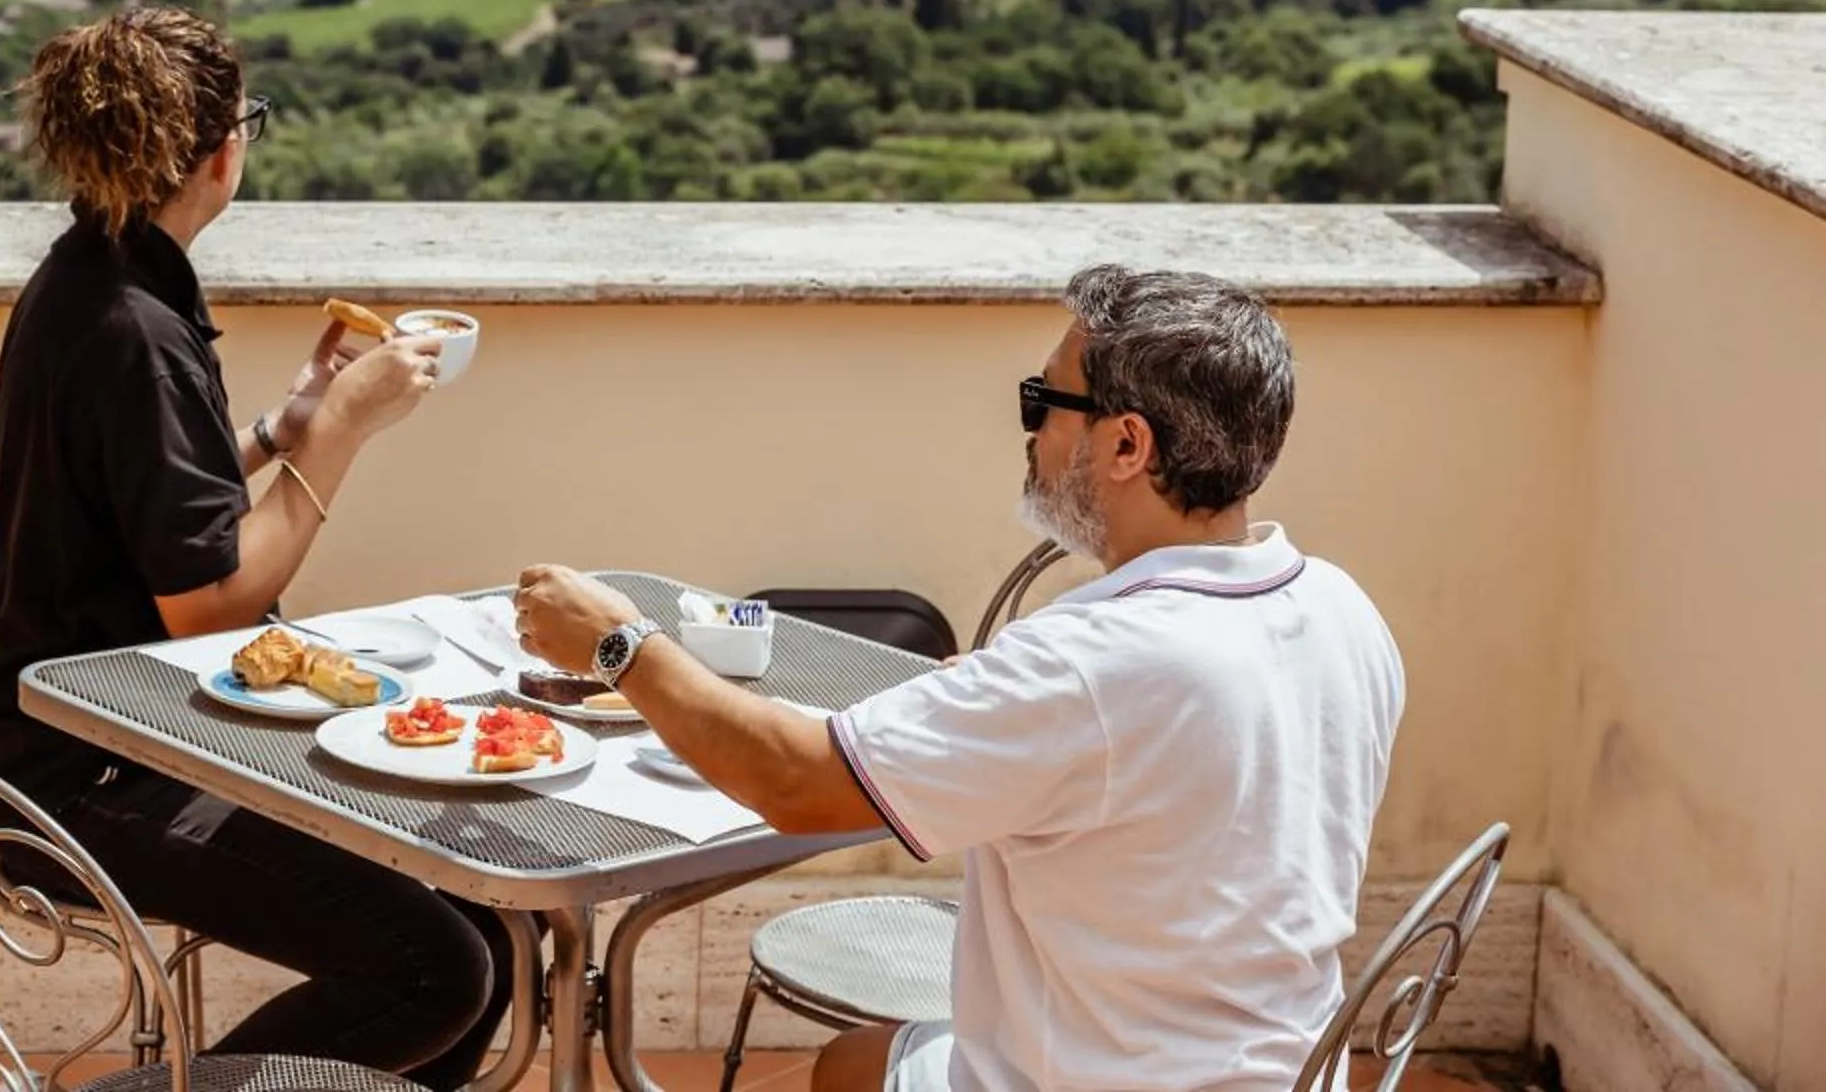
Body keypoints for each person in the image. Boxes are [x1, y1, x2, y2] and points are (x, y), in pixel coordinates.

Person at [515, 265, 1405, 1092]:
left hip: (1102, 1078)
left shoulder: (1092, 664)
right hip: (1282, 1068)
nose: (1030, 430)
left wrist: (618, 644)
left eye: (1044, 402)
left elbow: (796, 784)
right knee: (853, 1065)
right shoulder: (1340, 606)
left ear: (1128, 444)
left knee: (841, 1075)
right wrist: (997, 704)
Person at [0, 6, 512, 1090]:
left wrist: (288, 424)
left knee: (479, 922)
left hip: (106, 727)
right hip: (101, 771)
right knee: (437, 967)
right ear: (222, 151)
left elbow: (154, 511)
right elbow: (211, 604)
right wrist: (345, 435)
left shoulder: (94, 274)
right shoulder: (138, 331)